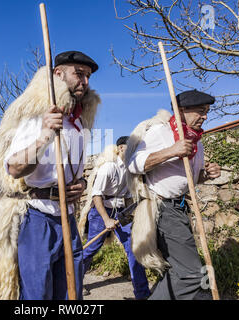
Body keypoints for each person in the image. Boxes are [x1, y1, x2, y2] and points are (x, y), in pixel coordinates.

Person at [0, 51, 101, 300]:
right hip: (38, 217)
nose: (85, 82)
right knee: (38, 295)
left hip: (68, 219)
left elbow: (76, 173)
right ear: (58, 74)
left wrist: (81, 184)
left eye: (88, 76)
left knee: (71, 293)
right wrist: (45, 135)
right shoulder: (37, 117)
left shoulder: (80, 125)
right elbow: (15, 168)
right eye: (78, 74)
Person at [125, 89, 221, 300]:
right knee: (191, 276)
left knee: (181, 271)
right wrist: (172, 150)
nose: (205, 116)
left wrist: (205, 175)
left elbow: (187, 178)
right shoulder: (161, 132)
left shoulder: (197, 141)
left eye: (207, 112)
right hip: (163, 210)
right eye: (200, 111)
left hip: (181, 208)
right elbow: (134, 164)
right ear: (182, 110)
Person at [81, 136, 150, 299]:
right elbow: (96, 197)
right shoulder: (108, 168)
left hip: (120, 213)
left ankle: (142, 294)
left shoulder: (130, 170)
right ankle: (75, 281)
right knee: (91, 248)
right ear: (120, 149)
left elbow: (126, 197)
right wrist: (106, 220)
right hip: (100, 212)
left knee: (134, 249)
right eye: (130, 148)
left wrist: (130, 214)